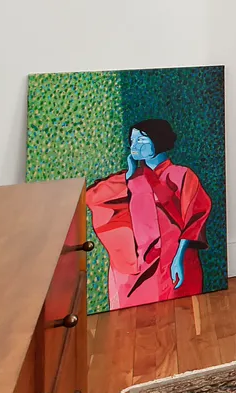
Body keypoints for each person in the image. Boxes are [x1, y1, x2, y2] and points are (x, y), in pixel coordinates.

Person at [85, 119, 212, 309]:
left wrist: (179, 256)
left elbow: (196, 215)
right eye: (132, 141)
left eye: (141, 140)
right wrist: (127, 176)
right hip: (136, 263)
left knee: (178, 311)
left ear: (158, 140)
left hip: (172, 257)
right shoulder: (129, 178)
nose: (134, 146)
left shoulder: (181, 174)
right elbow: (92, 198)